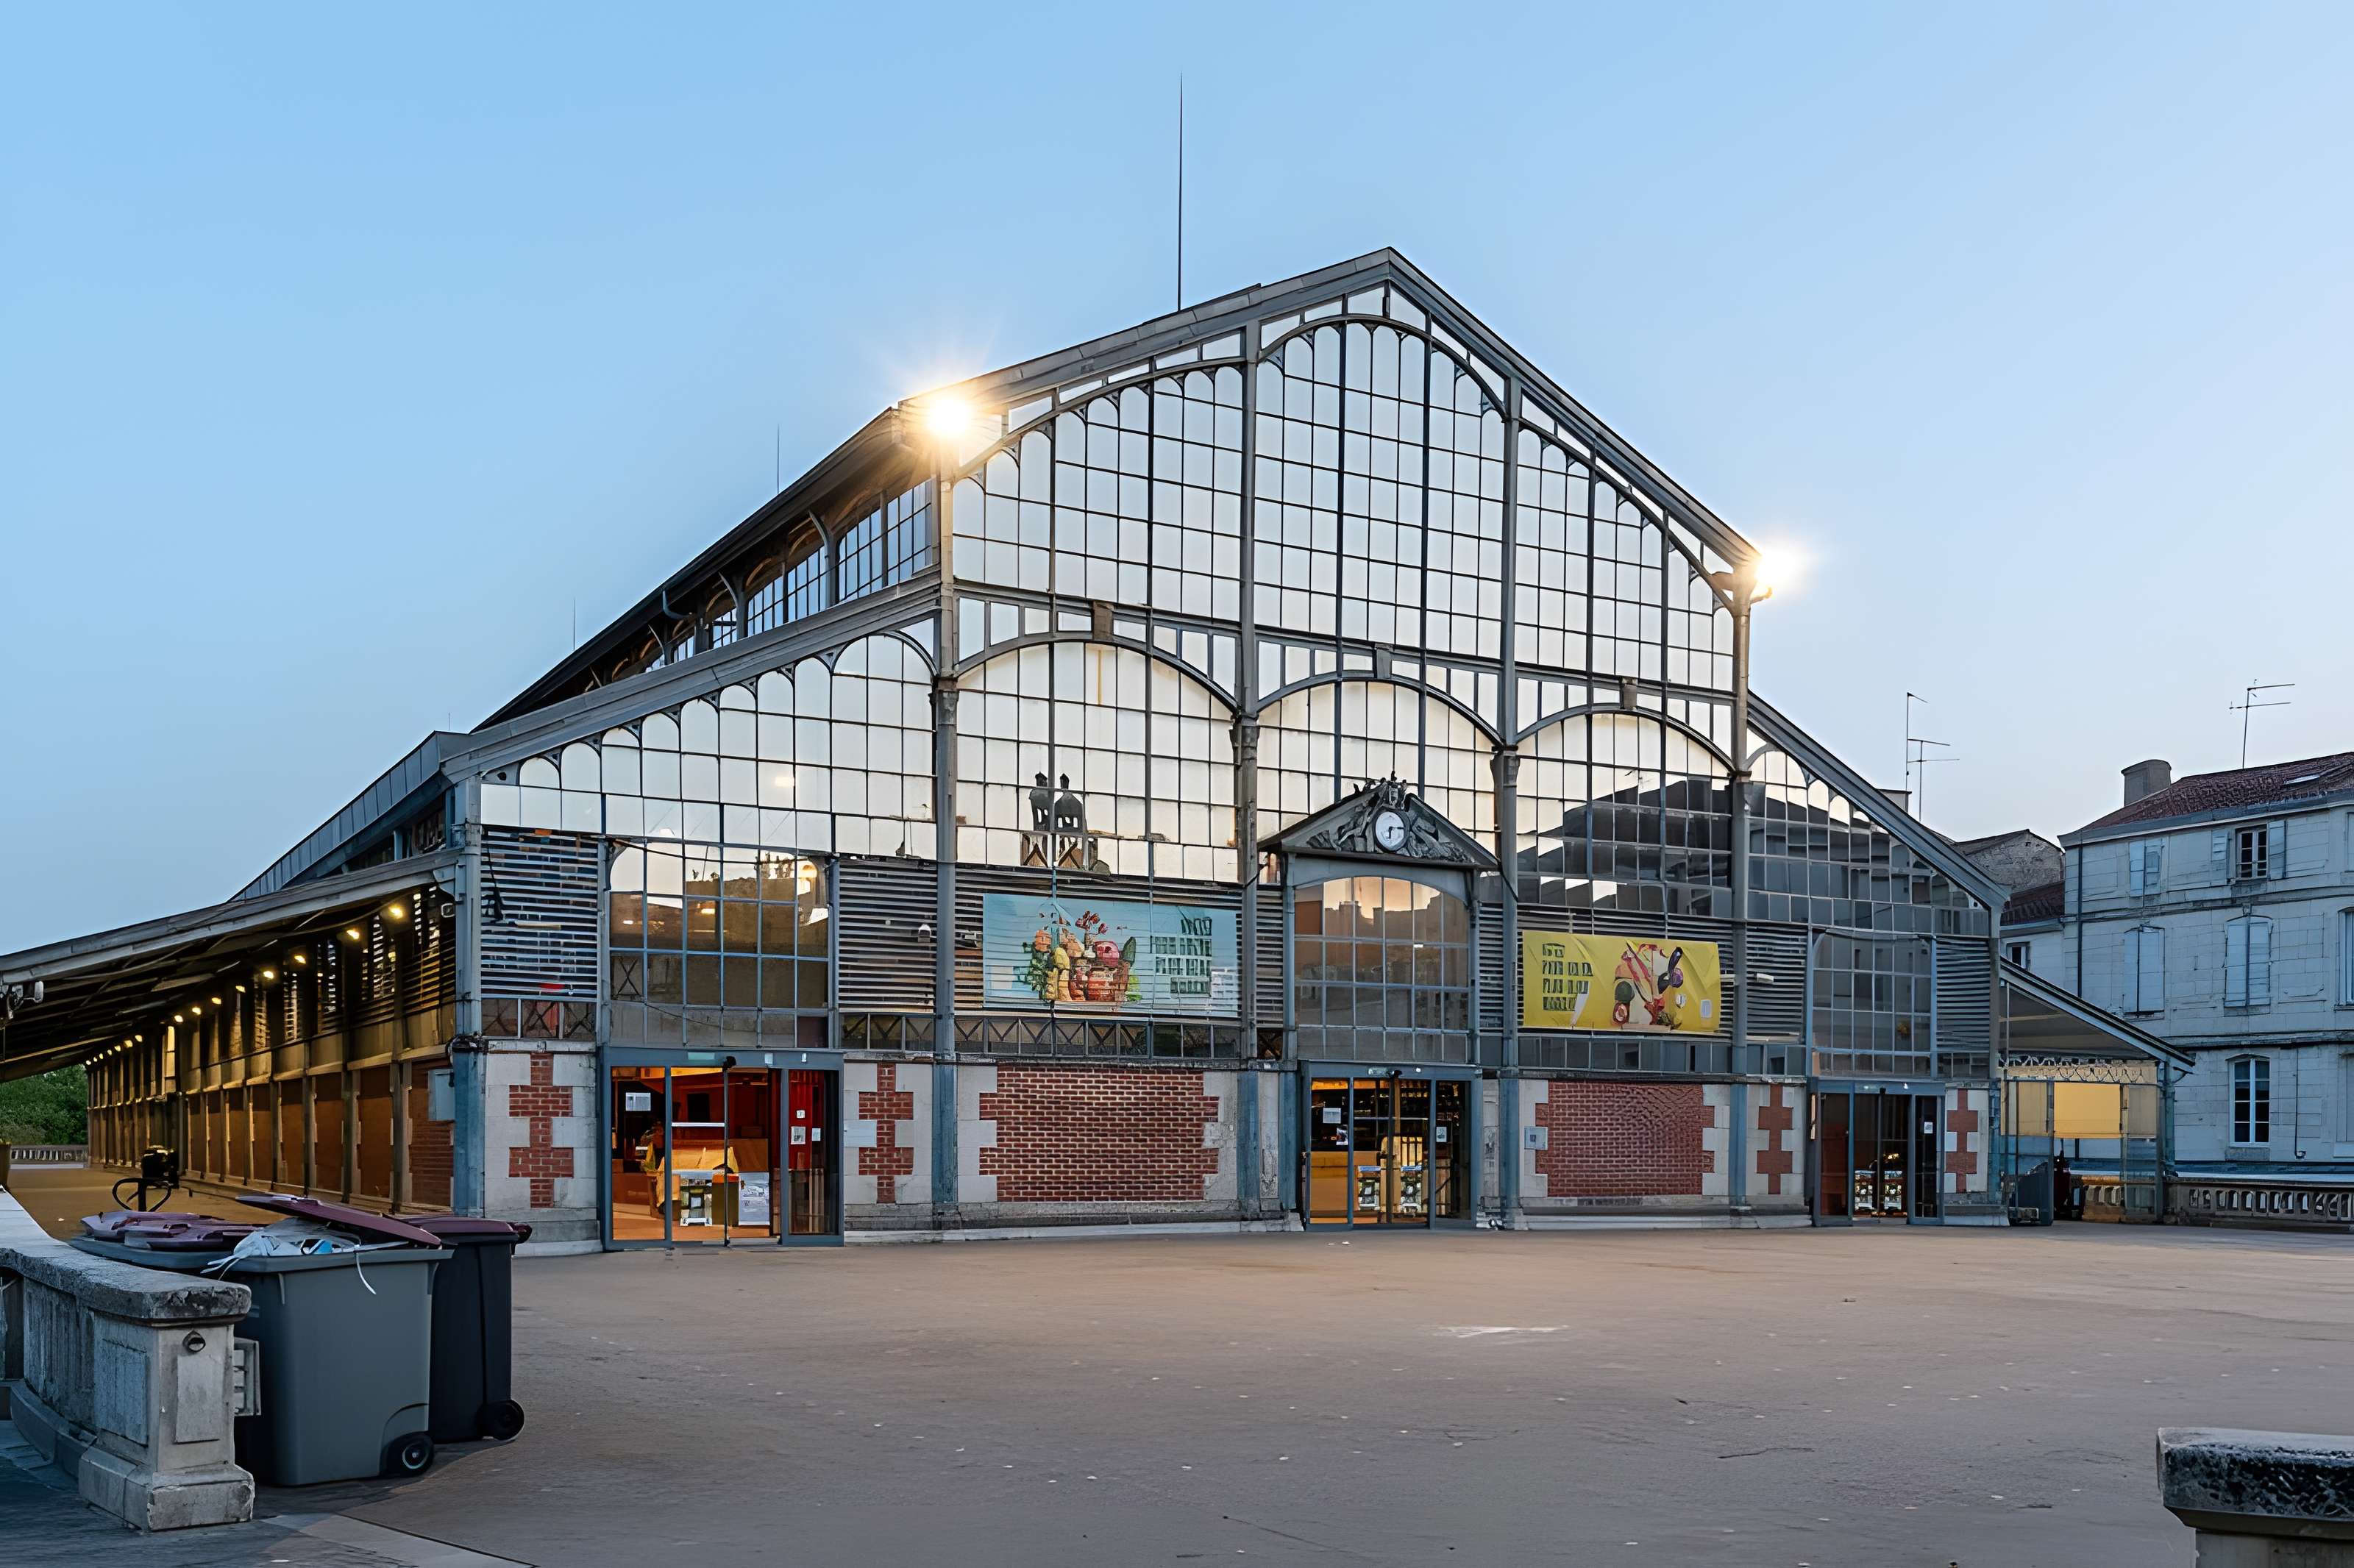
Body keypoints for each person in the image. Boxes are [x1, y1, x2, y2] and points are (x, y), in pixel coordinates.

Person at [2052, 1152, 2075, 1221]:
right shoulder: (2064, 1174)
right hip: (2061, 1189)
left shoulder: (2061, 1174)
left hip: (2060, 1189)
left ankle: (2059, 1210)